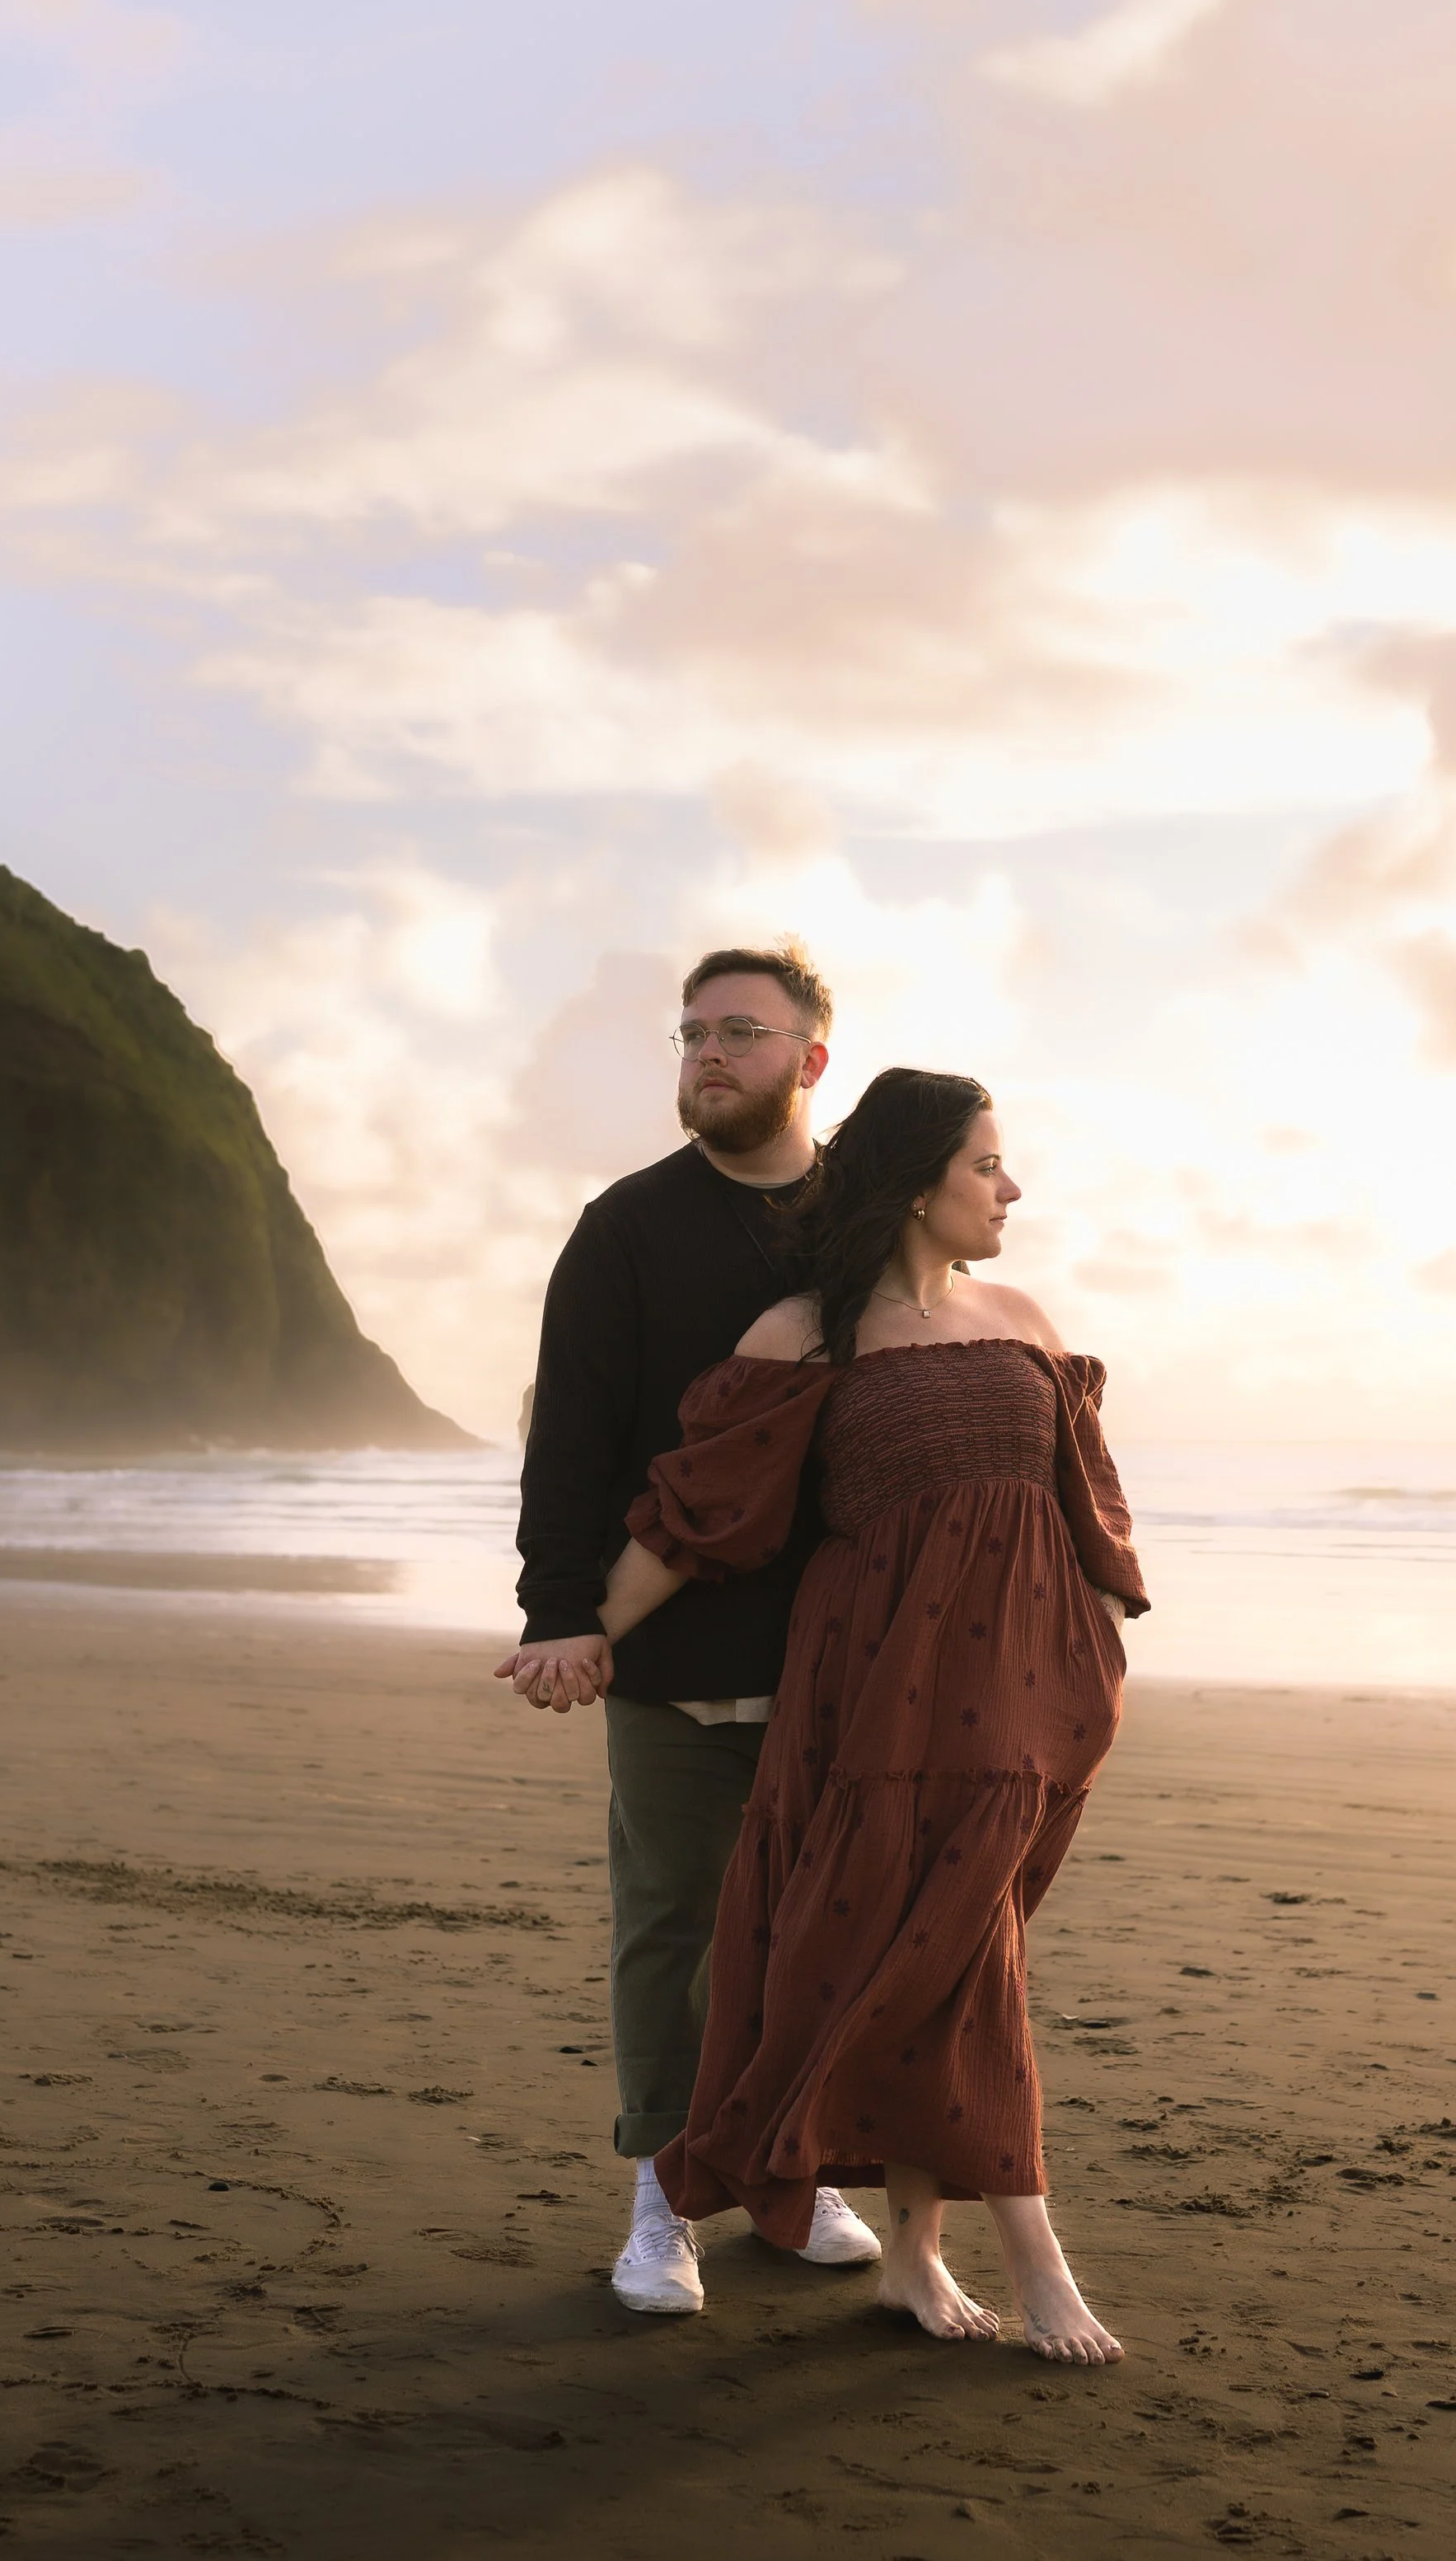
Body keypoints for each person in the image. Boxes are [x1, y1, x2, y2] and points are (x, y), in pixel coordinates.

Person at [595, 1068, 1148, 2364]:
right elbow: (702, 1513)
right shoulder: (805, 1335)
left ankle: (915, 2254)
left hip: (1032, 1694)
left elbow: (1089, 1504)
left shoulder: (1024, 1319)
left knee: (954, 1945)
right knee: (941, 1949)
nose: (1011, 1189)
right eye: (986, 1166)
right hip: (880, 1699)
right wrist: (579, 1631)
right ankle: (1025, 2263)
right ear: (914, 1183)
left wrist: (1097, 1655)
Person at [495, 943, 882, 2315]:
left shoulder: (863, 1225)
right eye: (692, 1033)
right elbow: (570, 1436)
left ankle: (792, 2172)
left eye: (741, 1032)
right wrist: (560, 1614)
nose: (708, 1054)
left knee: (815, 1931)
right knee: (672, 1927)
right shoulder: (628, 1226)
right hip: (669, 1654)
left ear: (811, 1059)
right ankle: (664, 2197)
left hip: (833, 1656)